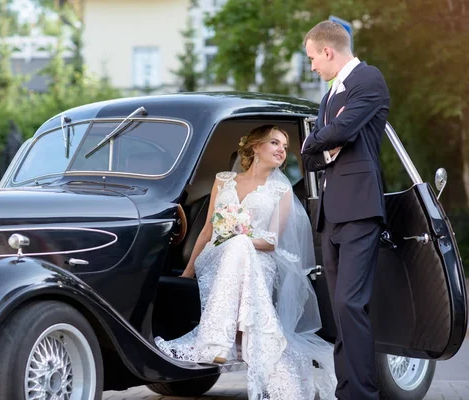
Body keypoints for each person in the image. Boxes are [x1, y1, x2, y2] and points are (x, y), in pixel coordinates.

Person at [155, 125, 337, 400]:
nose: (281, 151)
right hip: (215, 257)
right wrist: (189, 271)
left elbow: (272, 242)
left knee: (240, 245)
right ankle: (238, 340)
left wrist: (238, 236)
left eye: (284, 147)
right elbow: (206, 231)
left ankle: (220, 342)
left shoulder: (281, 191)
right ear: (256, 147)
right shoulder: (223, 180)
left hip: (259, 259)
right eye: (274, 143)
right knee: (235, 246)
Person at [300, 21, 390, 400]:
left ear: (328, 51)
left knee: (350, 304)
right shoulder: (327, 98)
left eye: (311, 59)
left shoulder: (368, 79)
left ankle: (362, 394)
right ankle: (346, 391)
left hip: (359, 207)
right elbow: (310, 156)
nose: (312, 68)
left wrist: (320, 140)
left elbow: (339, 133)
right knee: (340, 310)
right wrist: (321, 143)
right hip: (331, 213)